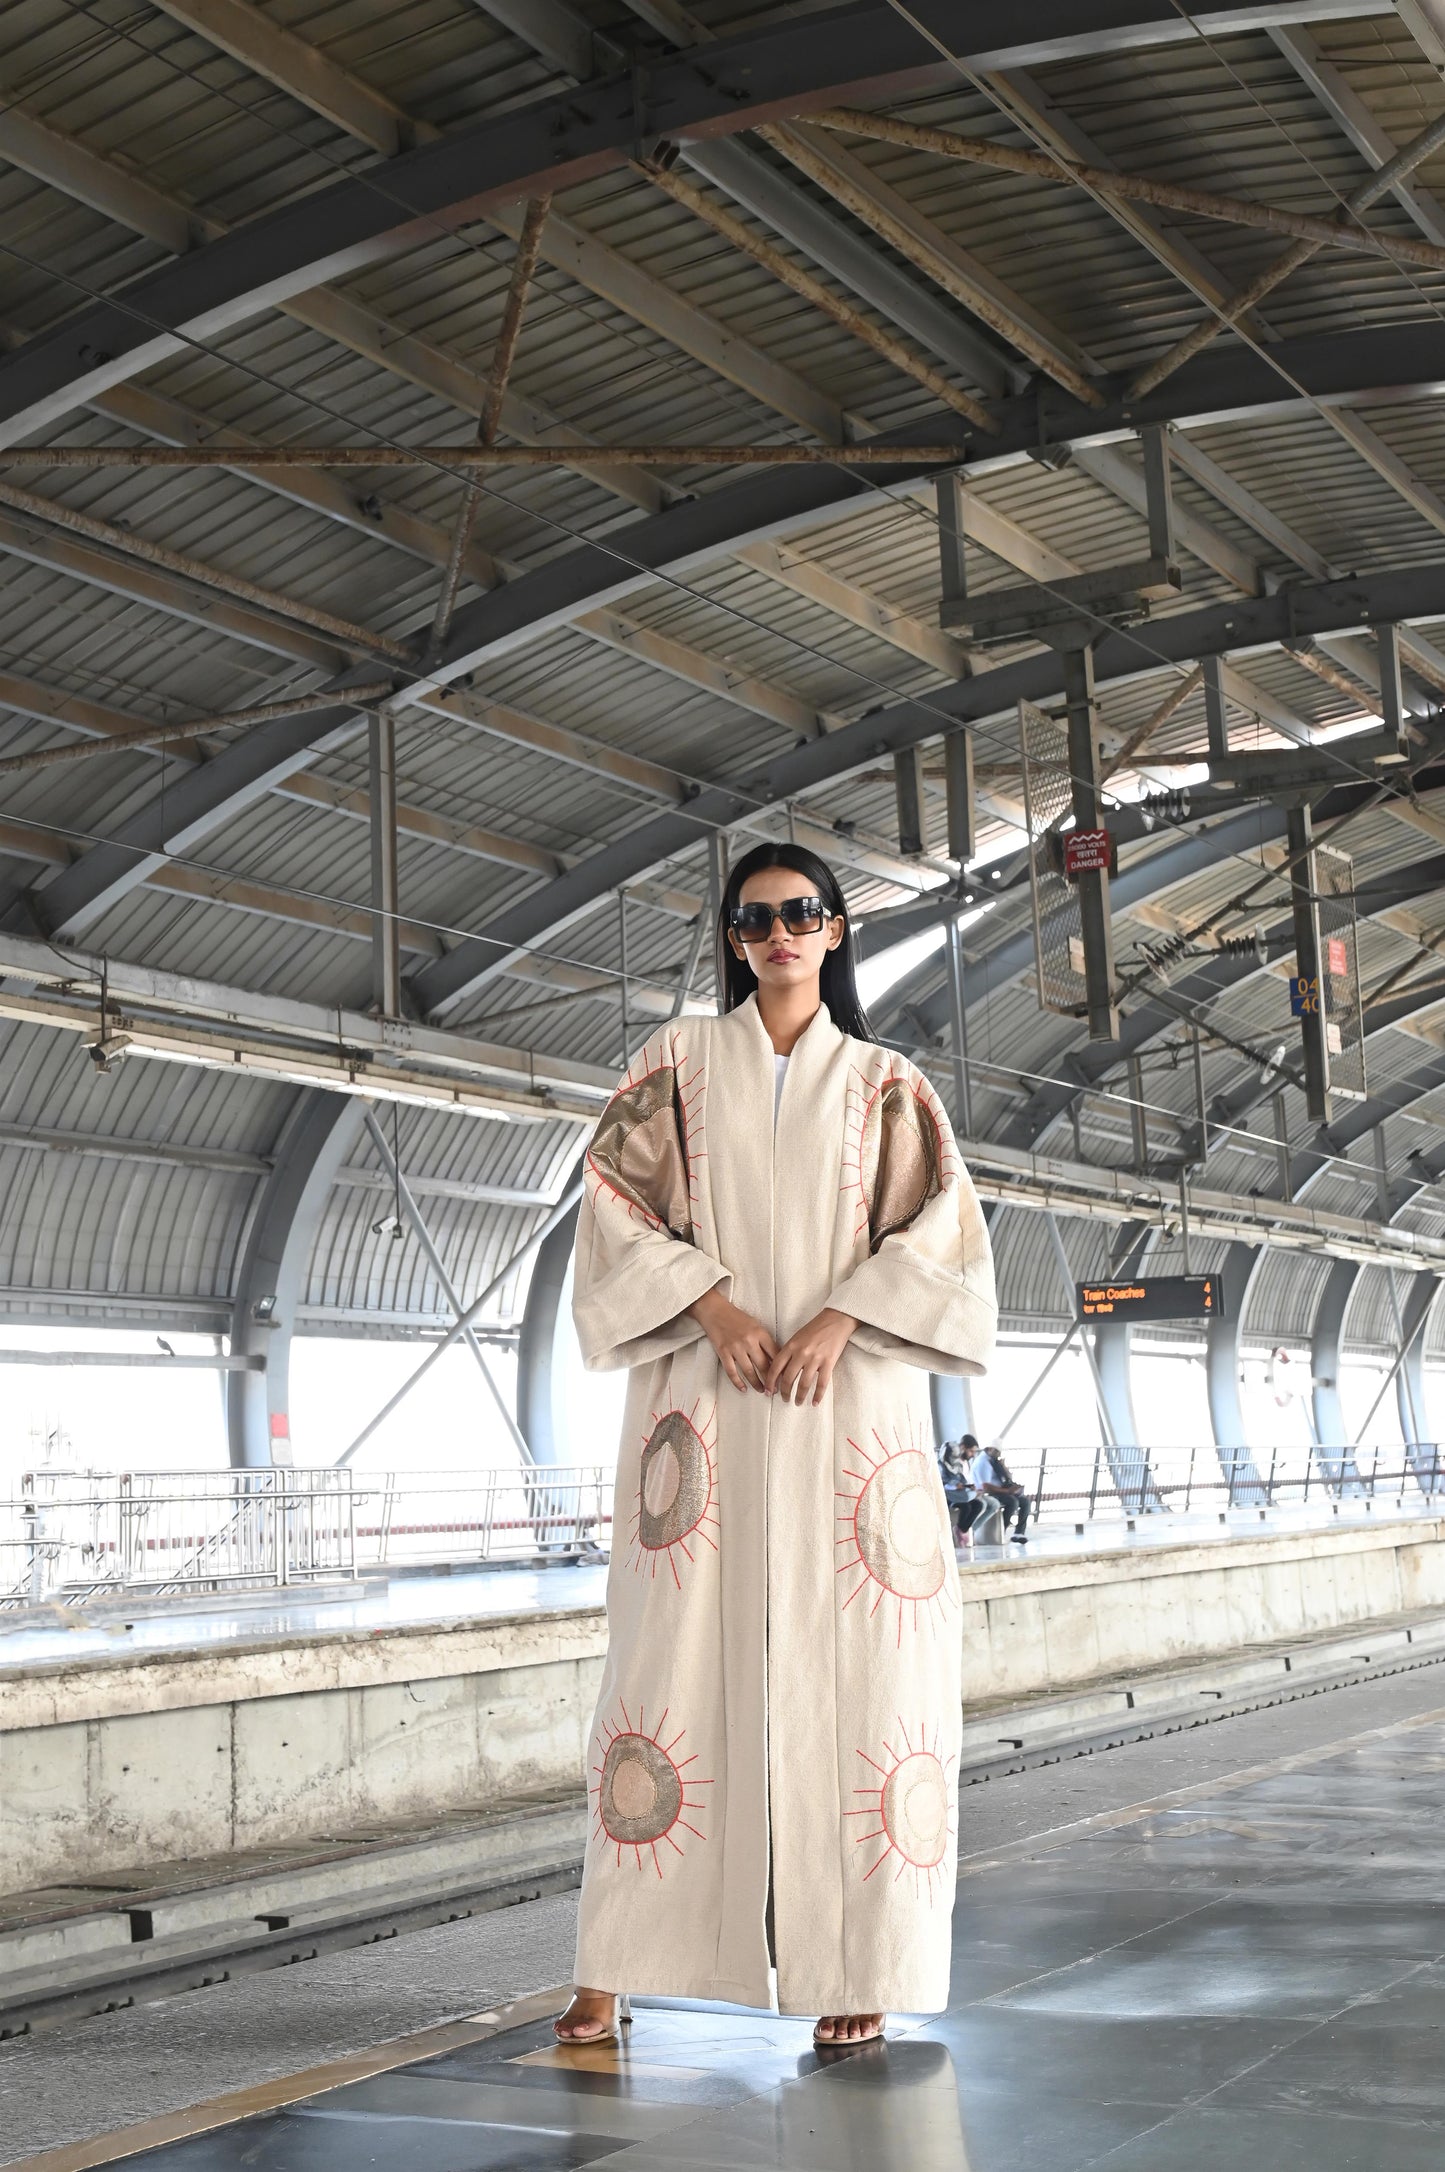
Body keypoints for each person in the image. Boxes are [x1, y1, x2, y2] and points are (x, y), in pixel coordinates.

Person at [555, 843, 997, 2051]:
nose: (781, 933)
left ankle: (855, 1959)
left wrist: (840, 1320)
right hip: (701, 1400)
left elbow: (940, 1232)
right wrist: (715, 1307)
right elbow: (611, 1199)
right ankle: (612, 1963)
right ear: (733, 939)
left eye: (802, 913)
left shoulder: (886, 1083)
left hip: (849, 1410)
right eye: (757, 919)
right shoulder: (673, 1066)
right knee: (663, 1671)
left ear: (836, 929)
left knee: (866, 1680)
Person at [966, 1438, 1033, 1542]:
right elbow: (986, 1486)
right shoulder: (983, 1463)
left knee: (1025, 1502)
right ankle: (1002, 1529)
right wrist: (1007, 1491)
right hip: (988, 1493)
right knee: (1012, 1502)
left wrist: (1004, 1467)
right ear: (989, 1449)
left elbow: (1007, 1478)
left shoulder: (993, 1461)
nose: (998, 1454)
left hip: (1000, 1491)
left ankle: (1019, 1532)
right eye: (996, 1451)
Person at [939, 1436, 986, 1546]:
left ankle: (962, 1529)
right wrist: (955, 1486)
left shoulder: (960, 1464)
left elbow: (962, 1480)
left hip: (960, 1495)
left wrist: (968, 1486)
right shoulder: (942, 1464)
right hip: (949, 1496)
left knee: (978, 1505)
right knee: (966, 1507)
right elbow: (943, 1483)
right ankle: (961, 1531)